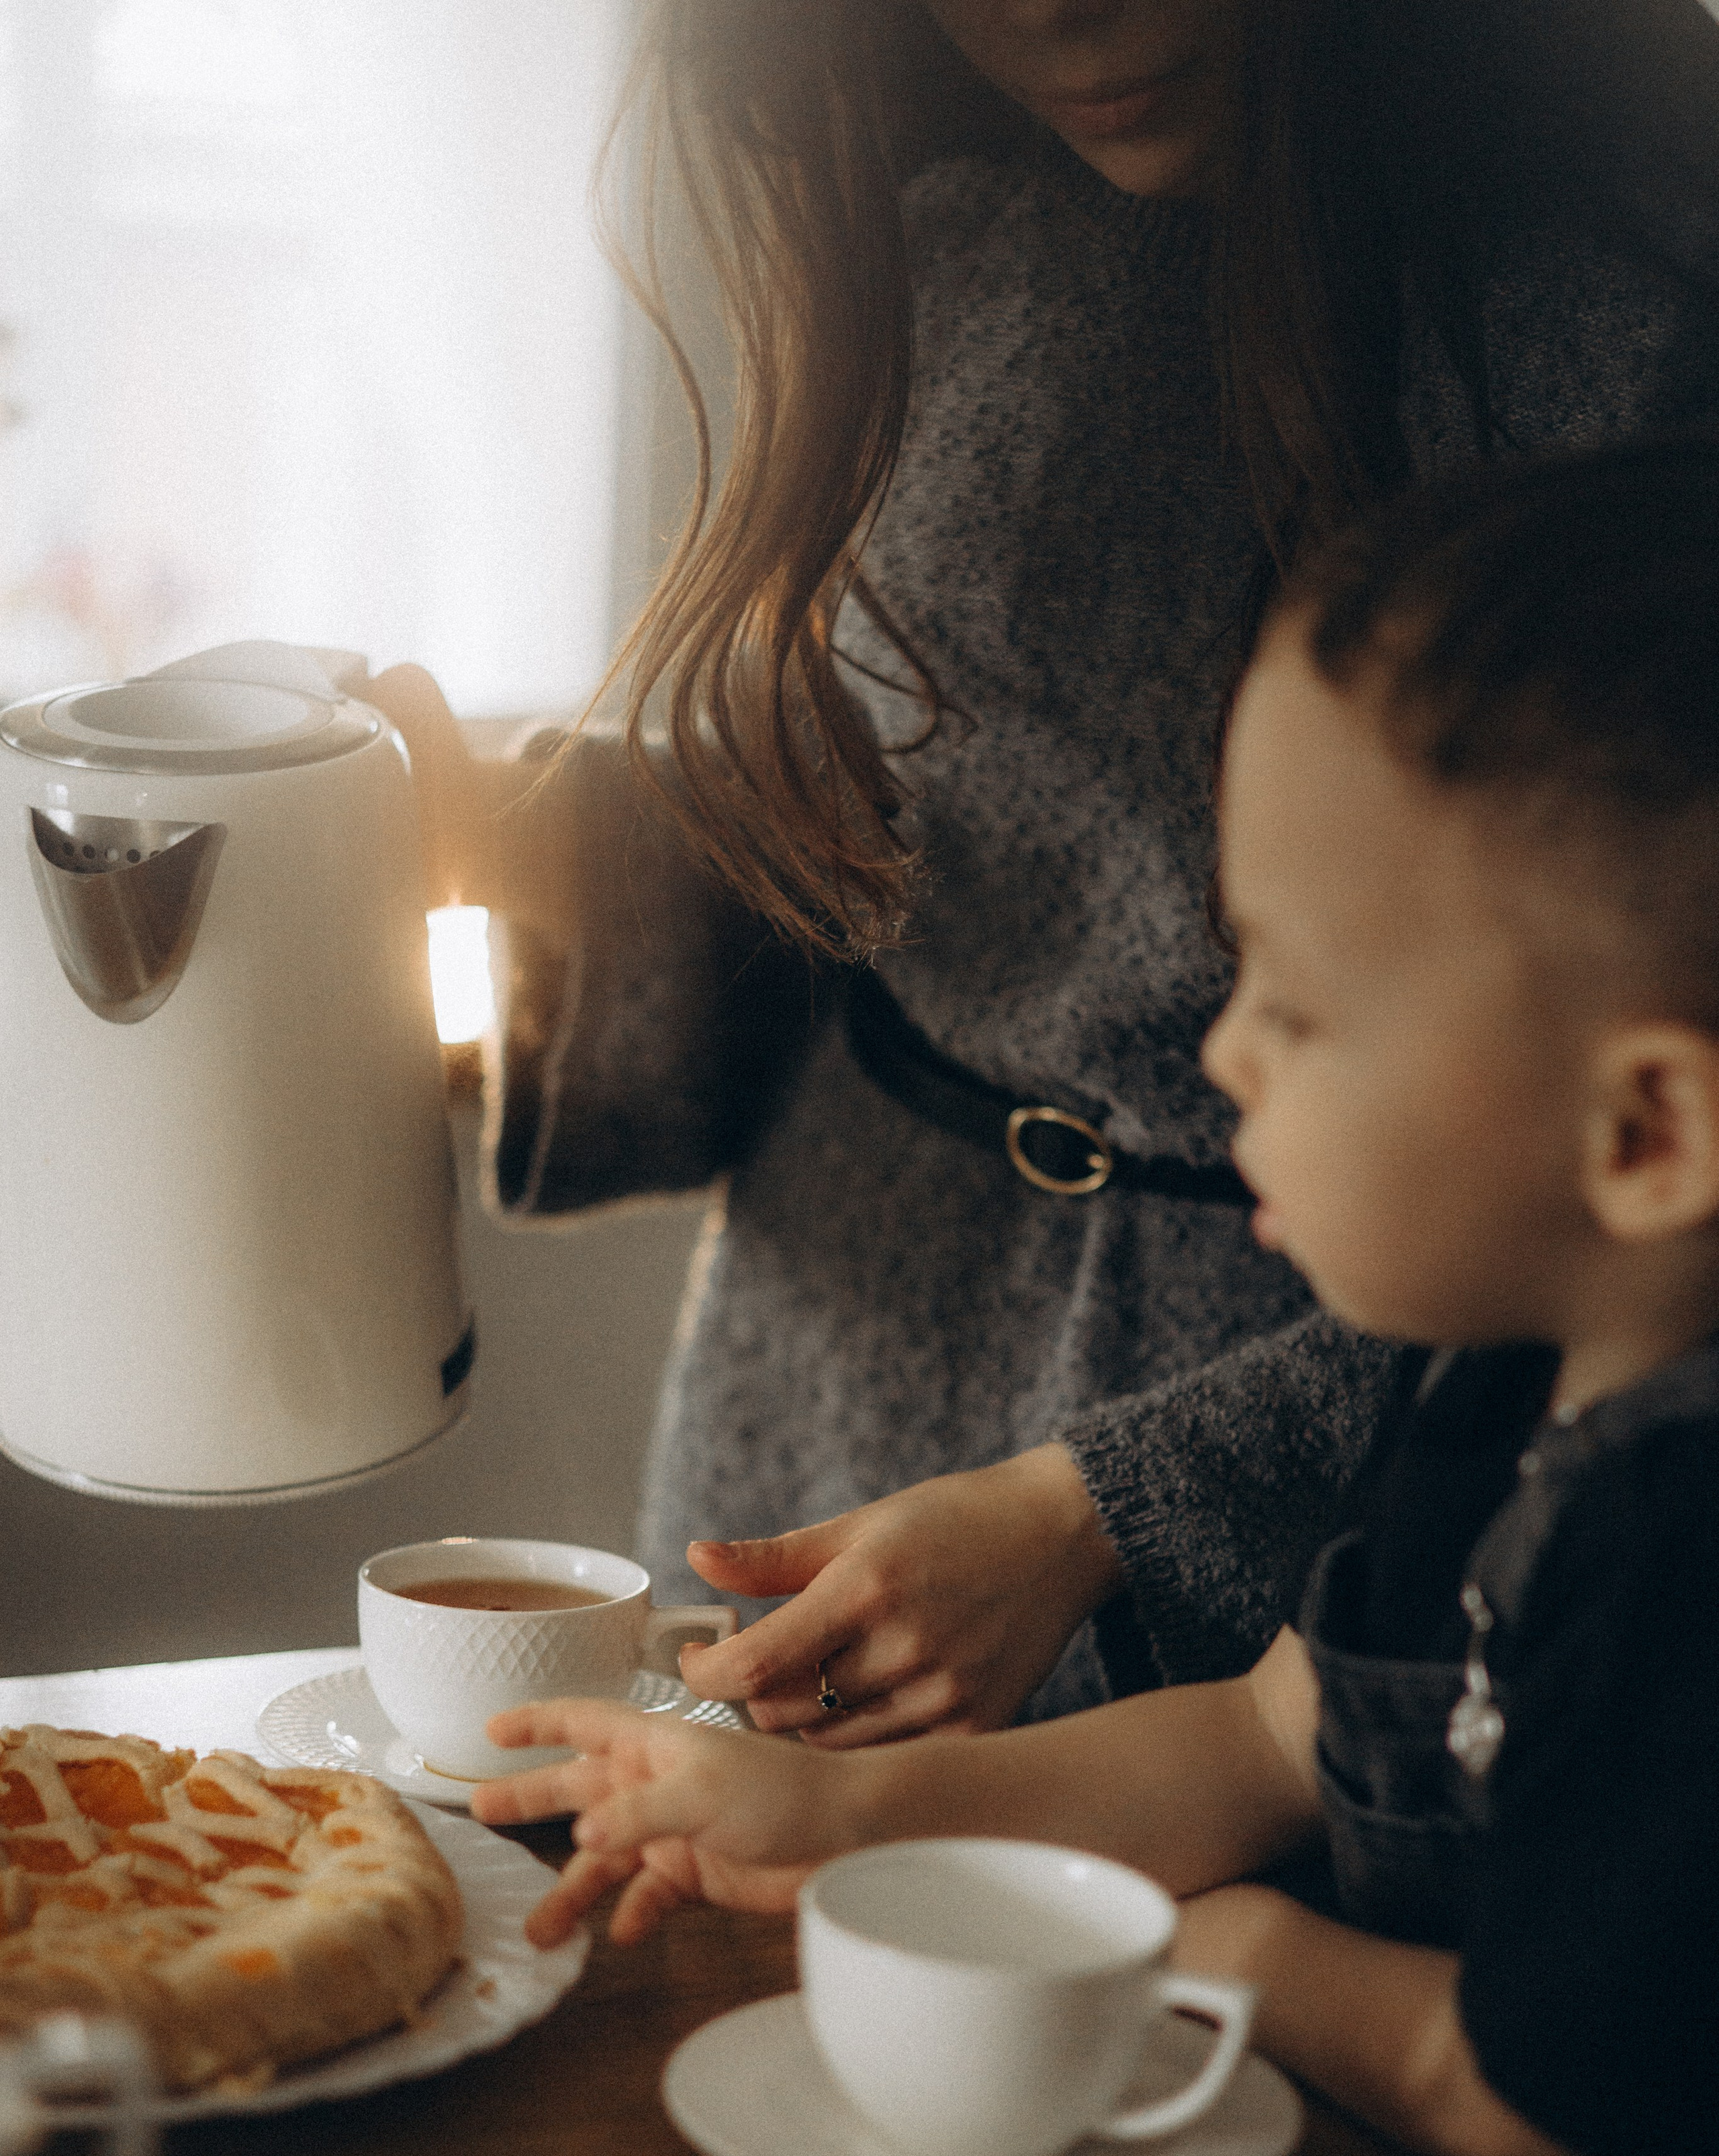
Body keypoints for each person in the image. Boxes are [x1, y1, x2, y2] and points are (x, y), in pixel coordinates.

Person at [375, 0, 1719, 1743]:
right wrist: (501, 848)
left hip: (1335, 1524)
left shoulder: (1640, 273)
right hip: (827, 1407)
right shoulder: (878, 162)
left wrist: (1118, 1507)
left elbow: (1657, 1183)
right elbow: (888, 833)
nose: (1050, 9)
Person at [469, 438, 1719, 2156]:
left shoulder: (1675, 1554)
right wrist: (831, 1823)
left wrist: (1235, 1958)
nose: (1221, 1057)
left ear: (1647, 1132)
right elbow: (1262, 1739)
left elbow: (1530, 2093)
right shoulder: (1486, 1377)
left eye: (1295, 1002)